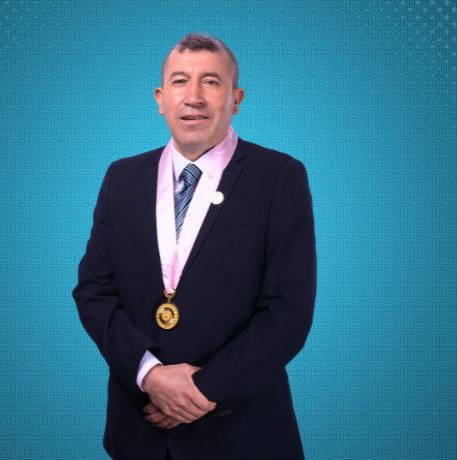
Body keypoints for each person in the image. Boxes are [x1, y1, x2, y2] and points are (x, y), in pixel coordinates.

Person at [73, 33, 316, 460]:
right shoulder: (122, 178)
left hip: (243, 435)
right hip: (140, 431)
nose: (194, 97)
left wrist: (200, 390)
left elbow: (288, 312)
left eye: (211, 81)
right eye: (180, 81)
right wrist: (150, 376)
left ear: (236, 99)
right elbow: (95, 291)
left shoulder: (279, 177)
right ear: (160, 98)